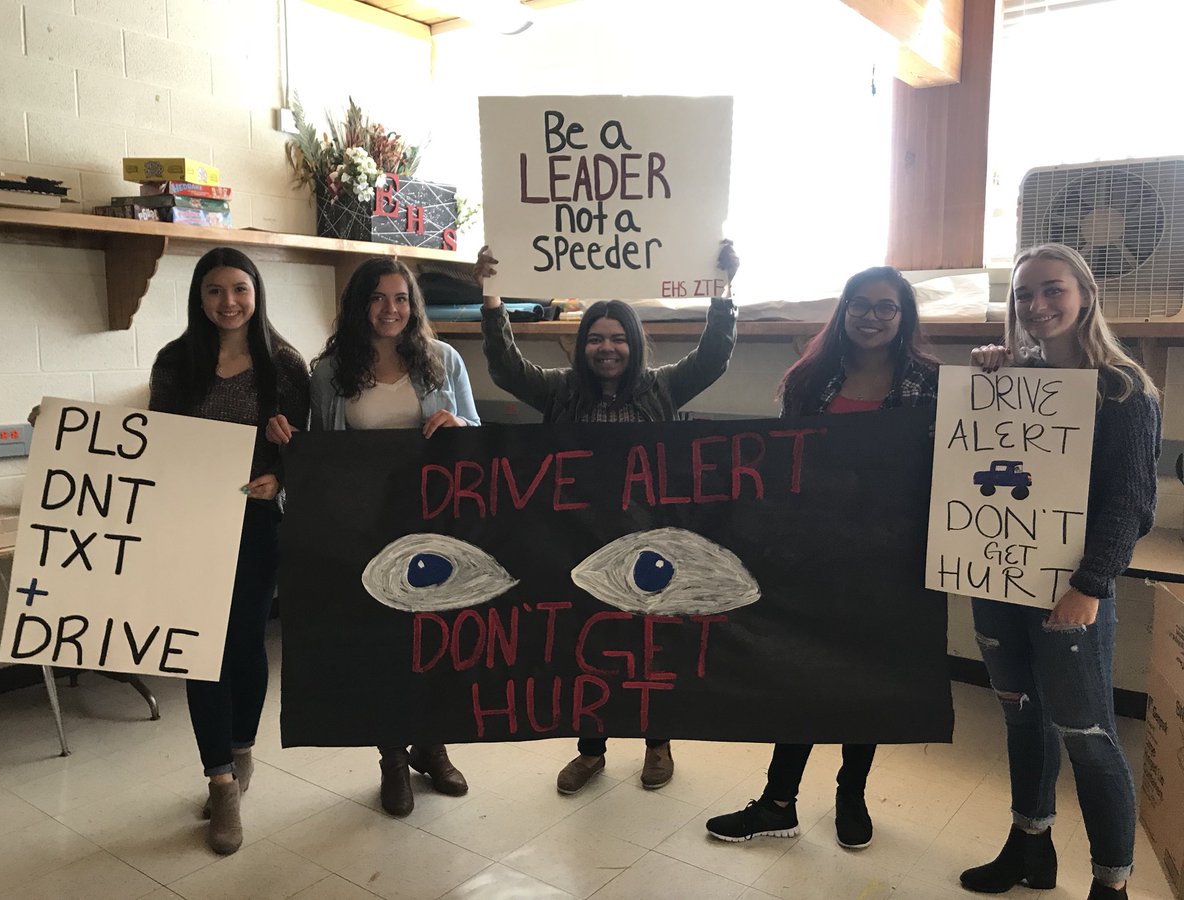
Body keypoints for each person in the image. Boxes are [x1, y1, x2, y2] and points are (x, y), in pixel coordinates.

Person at [473, 241, 739, 794]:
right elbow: (505, 368)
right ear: (582, 346)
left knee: (650, 641)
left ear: (634, 343)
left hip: (649, 538)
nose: (607, 348)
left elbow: (713, 358)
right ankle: (590, 749)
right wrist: (491, 297)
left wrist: (724, 290)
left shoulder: (661, 386)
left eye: (618, 338)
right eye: (596, 338)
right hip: (580, 538)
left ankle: (657, 742)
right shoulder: (562, 390)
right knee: (586, 642)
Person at [705, 265, 939, 850]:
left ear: (904, 316)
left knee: (870, 677)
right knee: (801, 672)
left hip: (894, 555)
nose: (872, 316)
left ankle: (851, 794)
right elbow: (785, 467)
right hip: (816, 549)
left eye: (887, 306)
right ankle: (778, 801)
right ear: (844, 311)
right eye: (860, 304)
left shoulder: (932, 383)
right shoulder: (809, 379)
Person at [958, 244, 1160, 900]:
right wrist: (994, 380)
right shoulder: (1018, 377)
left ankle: (1112, 884)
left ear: (1086, 295)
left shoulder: (1124, 388)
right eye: (1023, 295)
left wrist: (1090, 586)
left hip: (1069, 594)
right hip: (998, 579)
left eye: (1052, 290)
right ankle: (1029, 848)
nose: (1037, 306)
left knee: (1089, 735)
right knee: (1021, 717)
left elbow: (1130, 504)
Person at [265, 256, 479, 818]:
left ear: (414, 305)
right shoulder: (330, 372)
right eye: (379, 299)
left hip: (435, 525)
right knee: (382, 643)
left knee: (437, 639)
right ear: (360, 306)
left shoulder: (444, 361)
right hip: (364, 528)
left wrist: (458, 427)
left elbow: (478, 436)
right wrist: (288, 446)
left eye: (402, 298)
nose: (391, 310)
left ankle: (432, 747)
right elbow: (318, 453)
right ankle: (391, 755)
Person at [149, 247, 310, 855]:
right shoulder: (175, 361)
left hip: (256, 525)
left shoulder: (285, 364)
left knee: (243, 644)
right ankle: (218, 779)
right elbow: (157, 441)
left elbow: (304, 447)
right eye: (214, 291)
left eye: (238, 289)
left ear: (256, 292)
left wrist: (280, 469)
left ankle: (241, 752)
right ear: (199, 296)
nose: (228, 302)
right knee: (199, 650)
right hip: (190, 523)